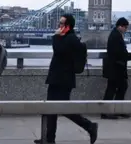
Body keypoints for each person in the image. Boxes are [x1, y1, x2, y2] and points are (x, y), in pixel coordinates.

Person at [36, 14, 98, 144]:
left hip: (63, 80)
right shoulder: (67, 38)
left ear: (68, 26)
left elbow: (58, 50)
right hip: (56, 78)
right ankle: (49, 138)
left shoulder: (71, 39)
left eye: (61, 24)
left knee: (63, 108)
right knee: (50, 109)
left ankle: (89, 126)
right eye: (59, 23)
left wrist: (56, 36)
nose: (59, 26)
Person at [101, 17, 131, 119]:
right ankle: (106, 111)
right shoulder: (116, 36)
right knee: (113, 89)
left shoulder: (115, 34)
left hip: (115, 68)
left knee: (120, 87)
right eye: (125, 27)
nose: (126, 30)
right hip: (116, 68)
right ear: (120, 26)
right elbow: (119, 53)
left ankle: (115, 110)